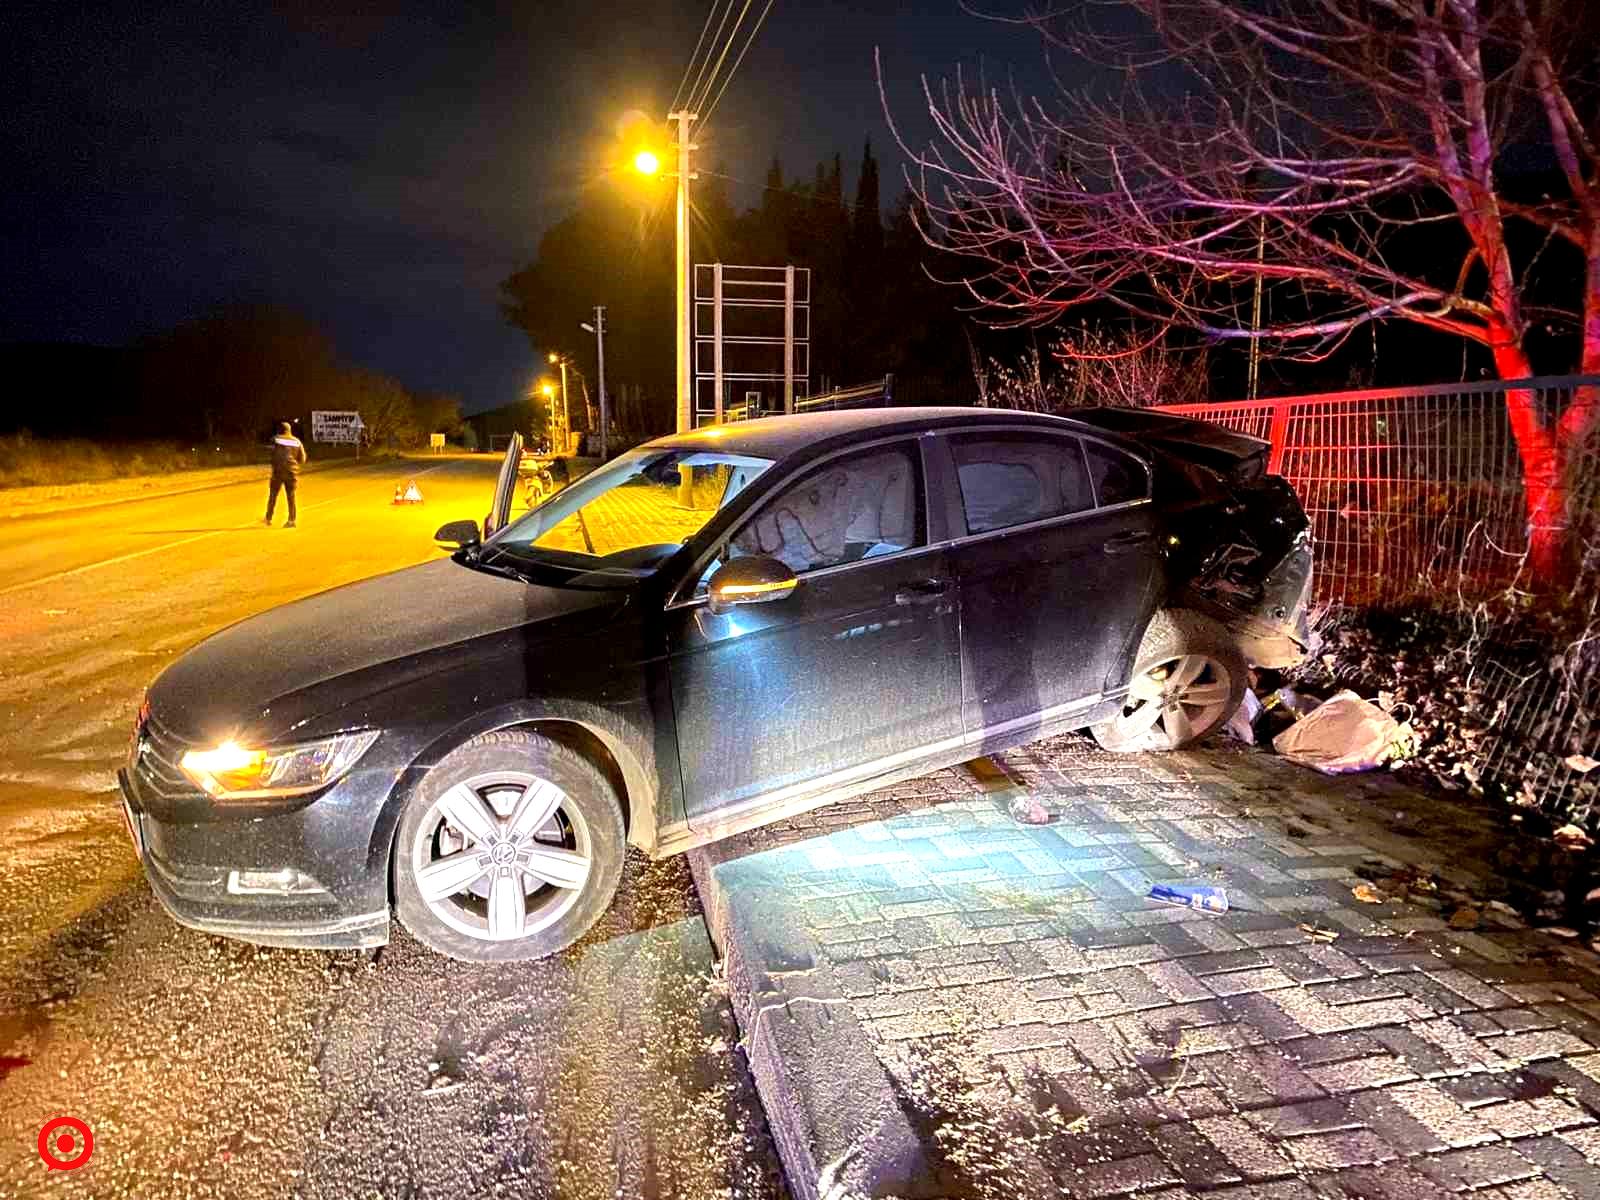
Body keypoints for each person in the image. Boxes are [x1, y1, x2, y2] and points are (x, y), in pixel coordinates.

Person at [264, 421, 306, 528]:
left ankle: (268, 518)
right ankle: (291, 520)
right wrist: (294, 464)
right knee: (291, 497)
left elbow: (270, 453)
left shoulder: (275, 439)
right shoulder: (297, 441)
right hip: (292, 472)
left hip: (278, 472)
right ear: (289, 430)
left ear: (280, 429)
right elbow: (302, 458)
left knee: (273, 495)